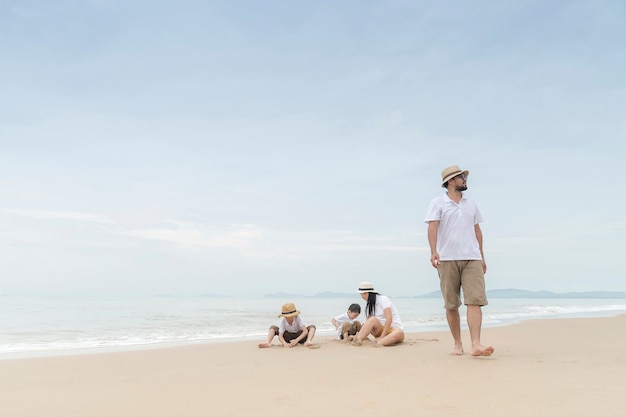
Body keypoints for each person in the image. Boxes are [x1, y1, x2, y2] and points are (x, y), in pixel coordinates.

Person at [424, 165, 494, 357]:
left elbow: (477, 230)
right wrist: (433, 251)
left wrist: (482, 256)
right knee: (452, 304)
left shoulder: (471, 204)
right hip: (447, 259)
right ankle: (457, 344)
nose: (465, 179)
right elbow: (433, 227)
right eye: (462, 177)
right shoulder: (437, 203)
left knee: (475, 301)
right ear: (451, 181)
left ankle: (476, 344)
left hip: (472, 258)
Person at [351, 281, 404, 346]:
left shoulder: (383, 299)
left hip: (392, 331)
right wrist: (358, 335)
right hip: (379, 331)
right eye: (361, 294)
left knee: (399, 333)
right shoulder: (369, 305)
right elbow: (367, 324)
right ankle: (357, 340)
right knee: (372, 319)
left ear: (368, 293)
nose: (362, 296)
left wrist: (382, 336)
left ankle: (380, 342)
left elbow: (389, 319)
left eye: (363, 294)